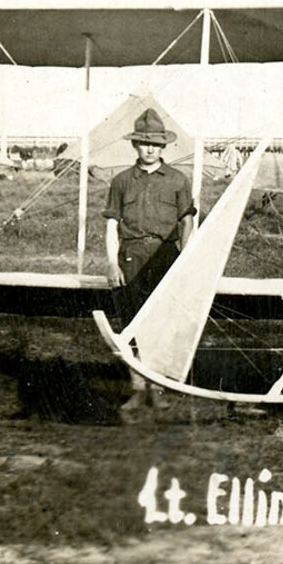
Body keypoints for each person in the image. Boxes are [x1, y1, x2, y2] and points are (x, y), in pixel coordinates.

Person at [103, 108, 195, 415]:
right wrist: (112, 264)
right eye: (144, 143)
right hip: (130, 257)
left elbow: (187, 222)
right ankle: (137, 389)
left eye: (155, 143)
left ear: (164, 146)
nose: (150, 148)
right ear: (135, 145)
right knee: (130, 322)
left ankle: (157, 388)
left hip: (166, 257)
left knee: (163, 324)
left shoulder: (179, 181)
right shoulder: (121, 181)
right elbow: (111, 225)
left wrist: (186, 260)